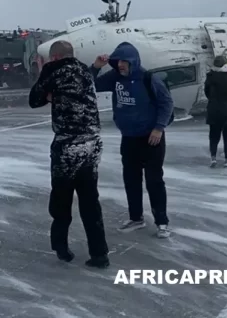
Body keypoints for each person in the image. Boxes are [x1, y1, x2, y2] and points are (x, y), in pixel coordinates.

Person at [28, 40, 110, 268]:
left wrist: (44, 82)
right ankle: (100, 254)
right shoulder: (84, 70)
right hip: (92, 144)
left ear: (54, 57)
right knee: (90, 201)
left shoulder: (53, 70)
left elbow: (33, 100)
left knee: (61, 200)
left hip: (68, 146)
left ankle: (61, 248)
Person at [90, 42, 174, 238]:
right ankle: (136, 218)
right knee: (131, 179)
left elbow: (166, 102)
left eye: (124, 62)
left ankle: (162, 221)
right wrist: (95, 67)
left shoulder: (148, 78)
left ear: (133, 62)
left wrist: (158, 128)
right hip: (128, 137)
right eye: (117, 61)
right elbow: (90, 84)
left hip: (151, 137)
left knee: (154, 180)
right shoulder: (115, 77)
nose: (120, 65)